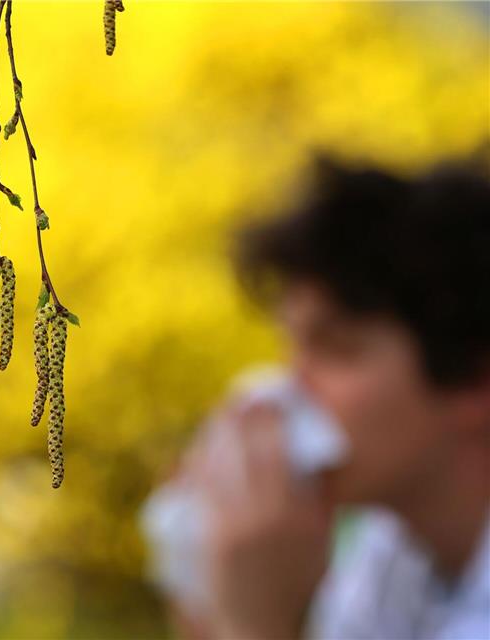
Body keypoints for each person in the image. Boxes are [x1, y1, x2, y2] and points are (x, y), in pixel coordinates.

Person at [172, 151, 490, 639]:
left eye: (338, 349)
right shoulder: (395, 555)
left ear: (473, 379)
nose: (289, 388)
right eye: (293, 349)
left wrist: (255, 625)